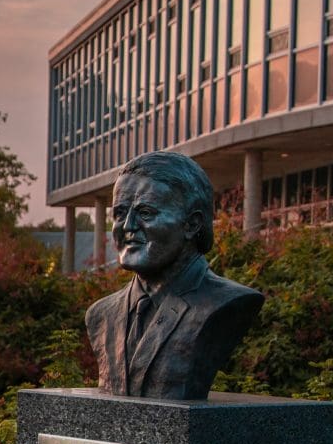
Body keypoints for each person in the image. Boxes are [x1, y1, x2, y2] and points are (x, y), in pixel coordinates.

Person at [84, 151, 263, 401]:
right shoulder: (101, 315)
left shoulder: (226, 303)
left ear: (192, 225)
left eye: (145, 213)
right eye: (120, 214)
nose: (127, 226)